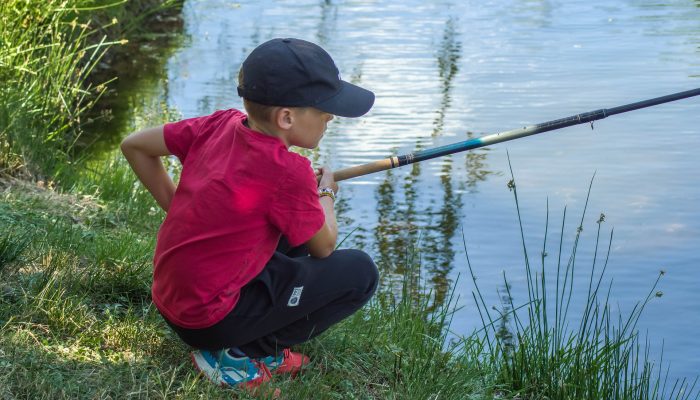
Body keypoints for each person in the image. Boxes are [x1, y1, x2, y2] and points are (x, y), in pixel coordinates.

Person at [120, 38, 379, 391]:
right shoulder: (289, 171)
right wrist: (325, 193)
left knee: (293, 226)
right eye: (324, 110)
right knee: (360, 273)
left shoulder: (220, 124)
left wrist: (178, 207)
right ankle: (241, 352)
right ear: (286, 117)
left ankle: (240, 339)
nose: (331, 117)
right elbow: (324, 246)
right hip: (208, 320)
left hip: (173, 297)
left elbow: (134, 145)